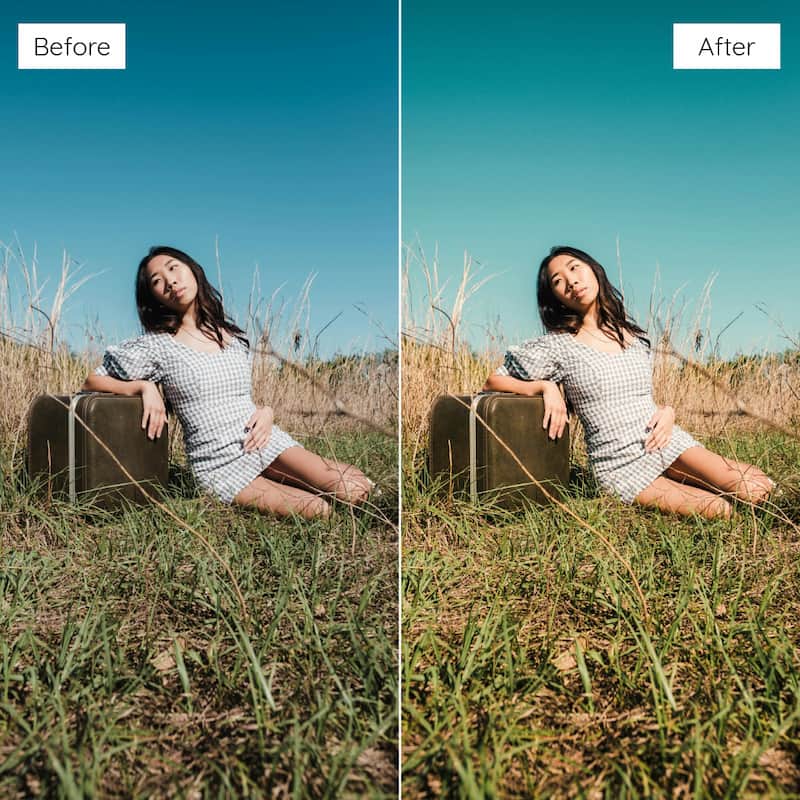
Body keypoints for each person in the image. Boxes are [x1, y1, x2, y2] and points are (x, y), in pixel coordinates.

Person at [483, 245, 774, 519]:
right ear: (555, 297)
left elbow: (637, 397)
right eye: (558, 281)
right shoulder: (558, 346)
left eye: (575, 268)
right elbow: (492, 381)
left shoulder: (633, 337)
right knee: (720, 510)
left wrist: (668, 411)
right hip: (619, 465)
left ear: (594, 270)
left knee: (755, 488)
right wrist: (543, 387)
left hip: (662, 441)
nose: (571, 281)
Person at [82, 245, 373, 519]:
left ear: (192, 270)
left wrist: (267, 412)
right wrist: (142, 387)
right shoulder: (157, 346)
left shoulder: (231, 337)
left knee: (354, 489)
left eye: (174, 268)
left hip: (261, 440)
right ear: (153, 296)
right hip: (218, 464)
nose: (170, 281)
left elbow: (236, 397)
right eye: (157, 281)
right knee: (318, 510)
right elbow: (91, 381)